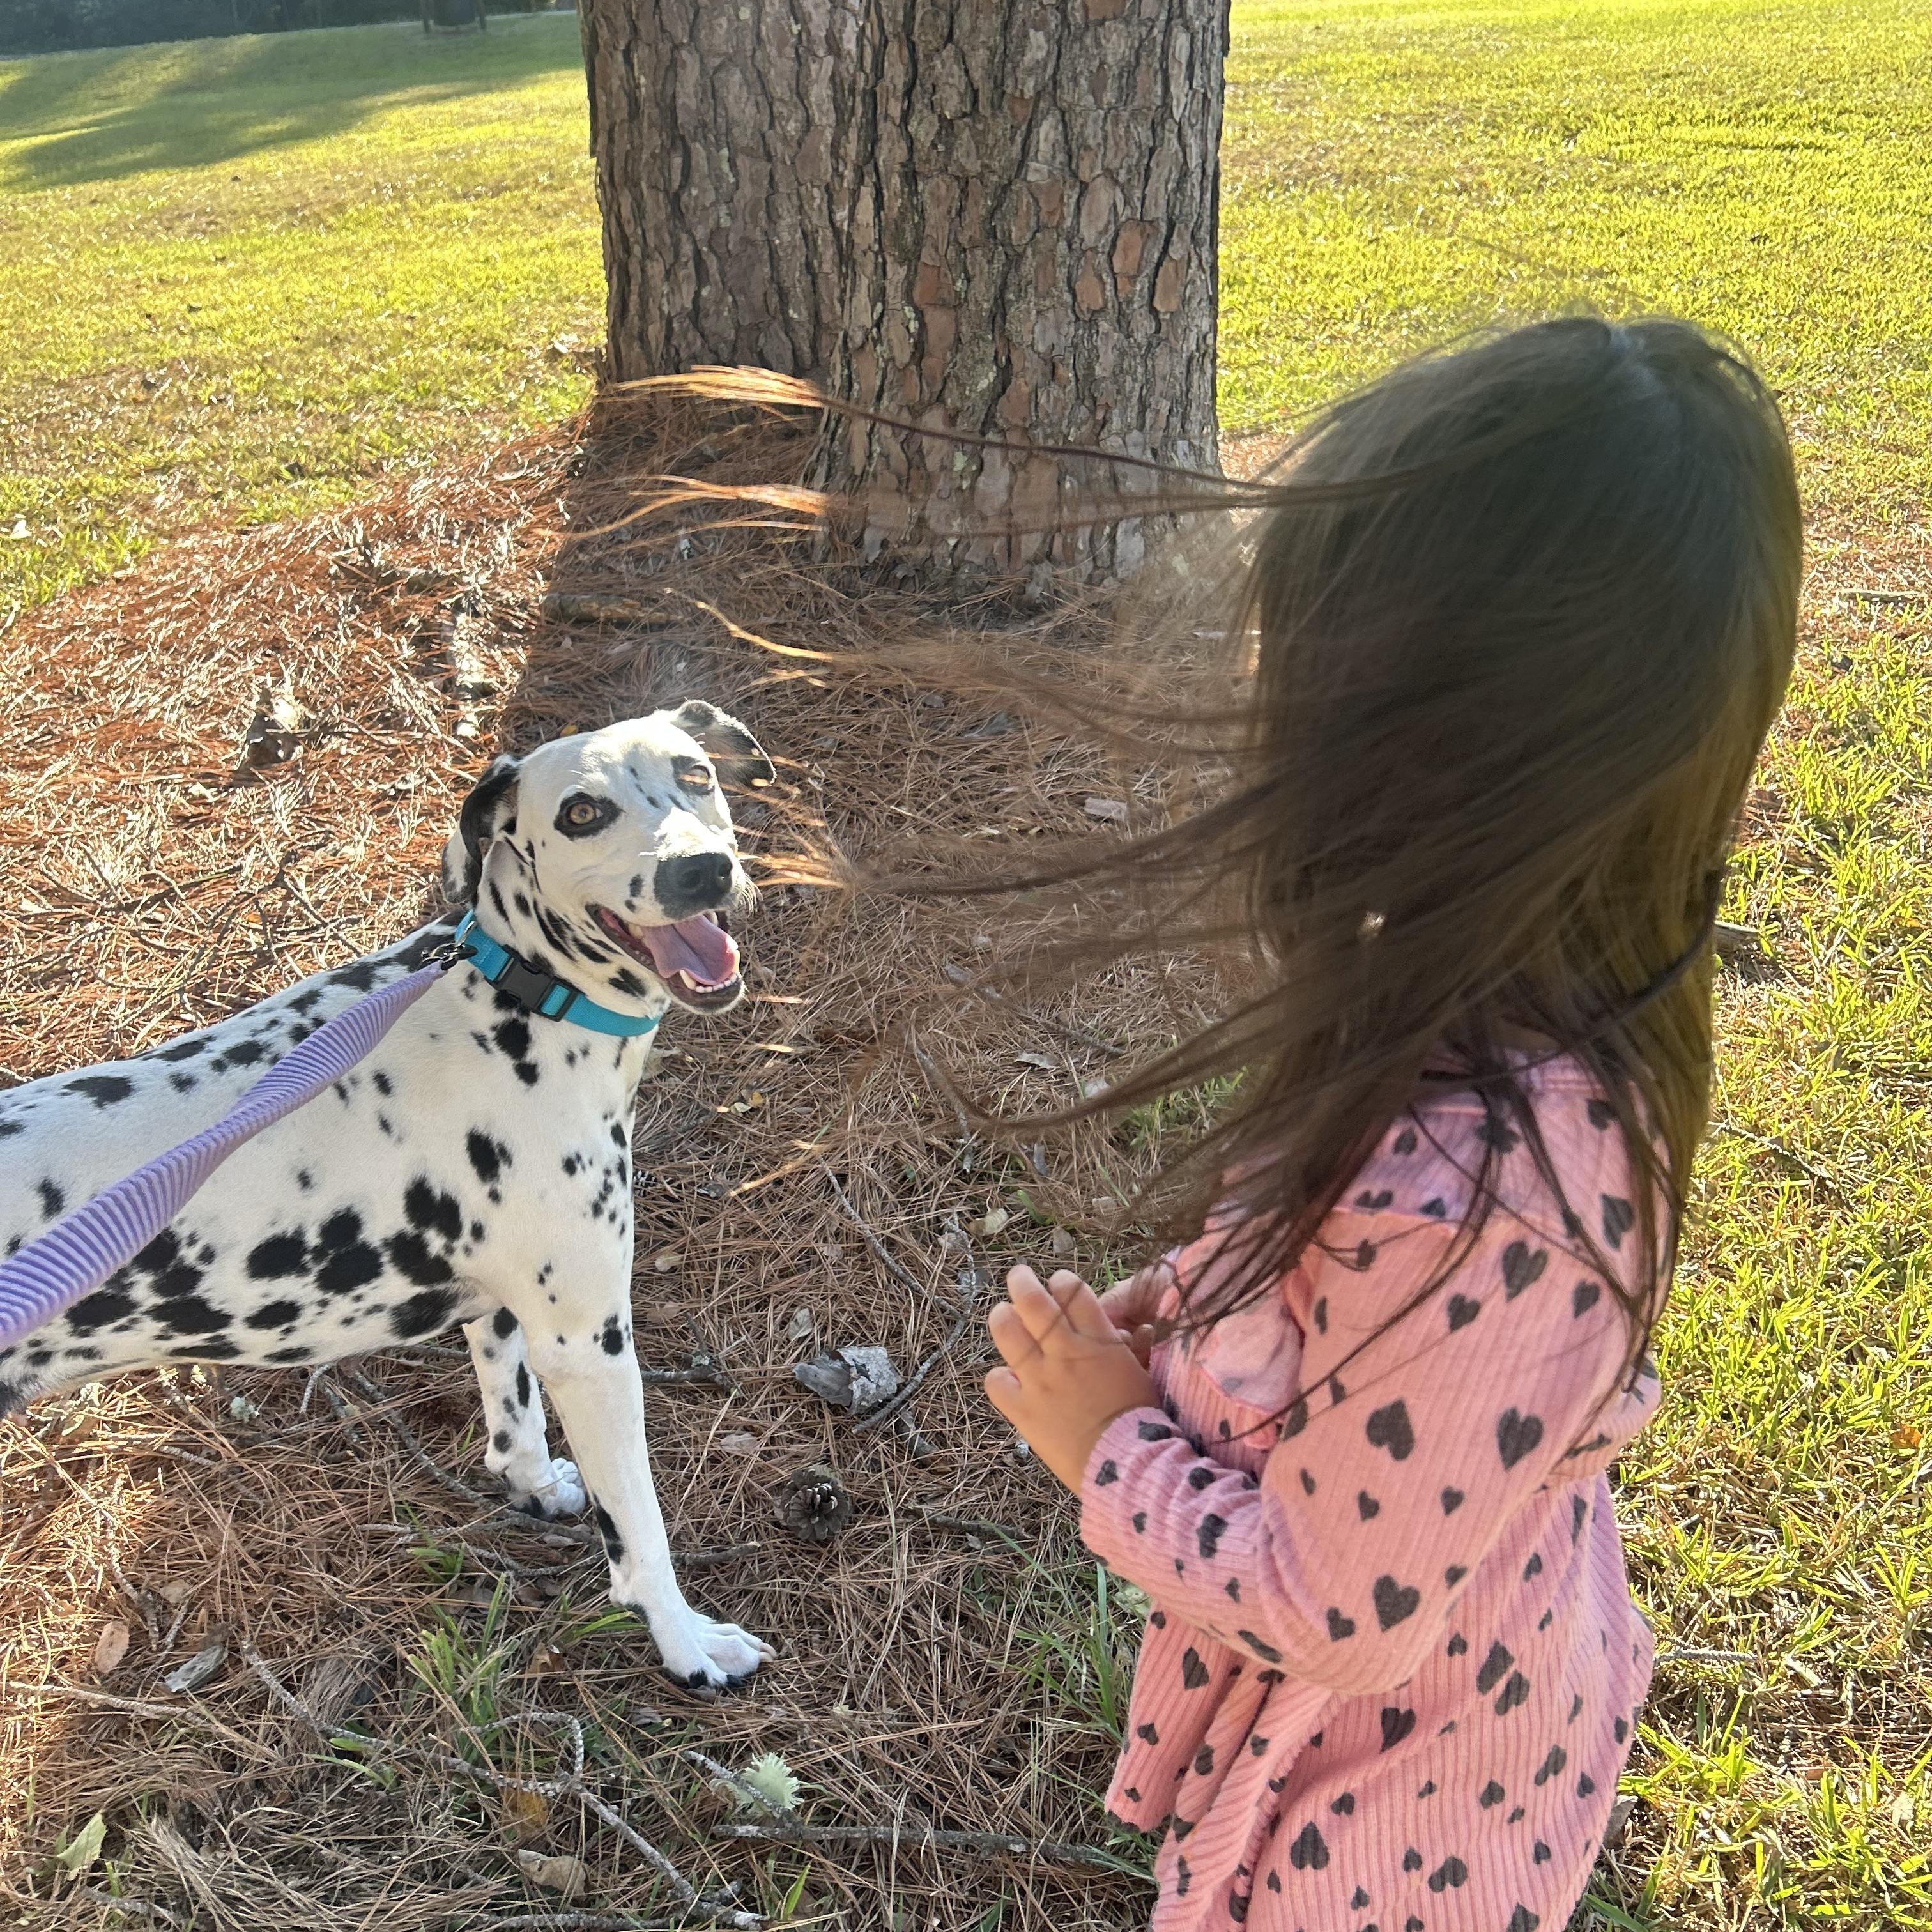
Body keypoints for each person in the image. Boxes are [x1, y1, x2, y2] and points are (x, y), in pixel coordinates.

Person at [981, 318, 1802, 1932]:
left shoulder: (1493, 1190)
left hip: (1381, 1825)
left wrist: (1111, 1446)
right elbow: (1361, 1340)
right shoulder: (1533, 1004)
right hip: (1433, 1734)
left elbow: (1332, 1612)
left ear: (1427, 761)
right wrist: (1200, 1324)